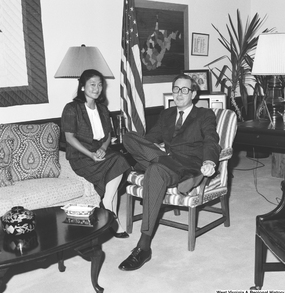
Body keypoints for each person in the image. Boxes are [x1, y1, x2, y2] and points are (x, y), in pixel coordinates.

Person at [118, 73, 221, 270]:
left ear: (193, 94)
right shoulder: (166, 115)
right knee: (129, 137)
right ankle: (157, 161)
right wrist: (148, 150)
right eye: (176, 89)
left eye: (185, 90)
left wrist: (209, 160)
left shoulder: (204, 115)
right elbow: (149, 138)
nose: (179, 94)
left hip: (186, 166)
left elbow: (211, 140)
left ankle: (143, 246)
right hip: (165, 163)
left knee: (154, 169)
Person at [61, 69, 131, 238]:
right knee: (118, 162)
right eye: (92, 84)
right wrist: (91, 154)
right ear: (83, 87)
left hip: (100, 152)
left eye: (100, 84)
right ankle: (110, 211)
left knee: (121, 159)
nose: (97, 88)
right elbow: (69, 138)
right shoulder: (72, 108)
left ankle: (108, 206)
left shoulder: (102, 109)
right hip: (81, 156)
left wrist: (103, 148)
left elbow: (108, 136)